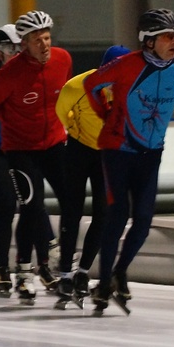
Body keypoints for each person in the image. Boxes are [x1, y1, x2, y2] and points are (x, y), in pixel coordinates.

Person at [84, 9, 174, 317]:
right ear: (148, 41)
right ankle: (103, 281)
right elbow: (91, 84)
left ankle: (119, 273)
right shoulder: (125, 65)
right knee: (118, 215)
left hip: (151, 152)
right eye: (167, 36)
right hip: (117, 149)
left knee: (143, 221)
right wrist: (107, 113)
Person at [0, 10, 72, 305]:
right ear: (24, 43)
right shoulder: (10, 73)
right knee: (32, 207)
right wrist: (16, 123)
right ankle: (24, 271)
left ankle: (65, 262)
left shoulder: (63, 59)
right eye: (37, 40)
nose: (44, 45)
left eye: (46, 38)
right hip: (21, 149)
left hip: (54, 143)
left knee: (71, 200)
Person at [0, 23, 59, 294]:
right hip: (0, 151)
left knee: (34, 206)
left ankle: (41, 265)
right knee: (7, 205)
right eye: (9, 51)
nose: (15, 55)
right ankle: (4, 267)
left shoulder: (33, 75)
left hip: (27, 149)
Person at [53, 44, 131, 310]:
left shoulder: (132, 90)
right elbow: (61, 111)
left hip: (106, 154)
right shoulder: (77, 86)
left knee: (103, 214)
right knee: (72, 210)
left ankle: (83, 272)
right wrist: (74, 129)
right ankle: (65, 273)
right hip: (78, 149)